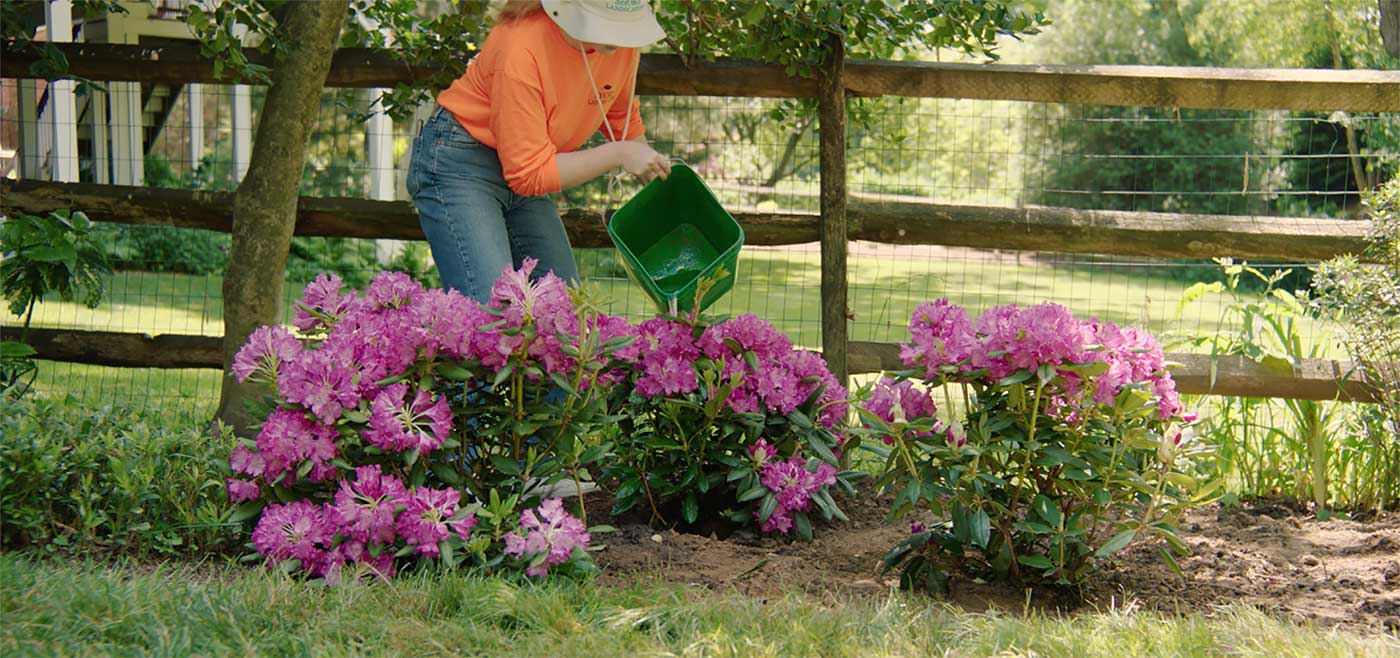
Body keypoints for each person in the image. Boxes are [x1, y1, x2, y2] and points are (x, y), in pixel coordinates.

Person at [407, 0, 672, 302]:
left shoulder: (621, 44)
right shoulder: (520, 48)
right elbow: (529, 174)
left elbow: (620, 114)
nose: (620, 37)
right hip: (462, 161)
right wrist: (619, 154)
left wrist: (658, 183)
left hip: (526, 157)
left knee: (562, 305)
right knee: (493, 309)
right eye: (609, 24)